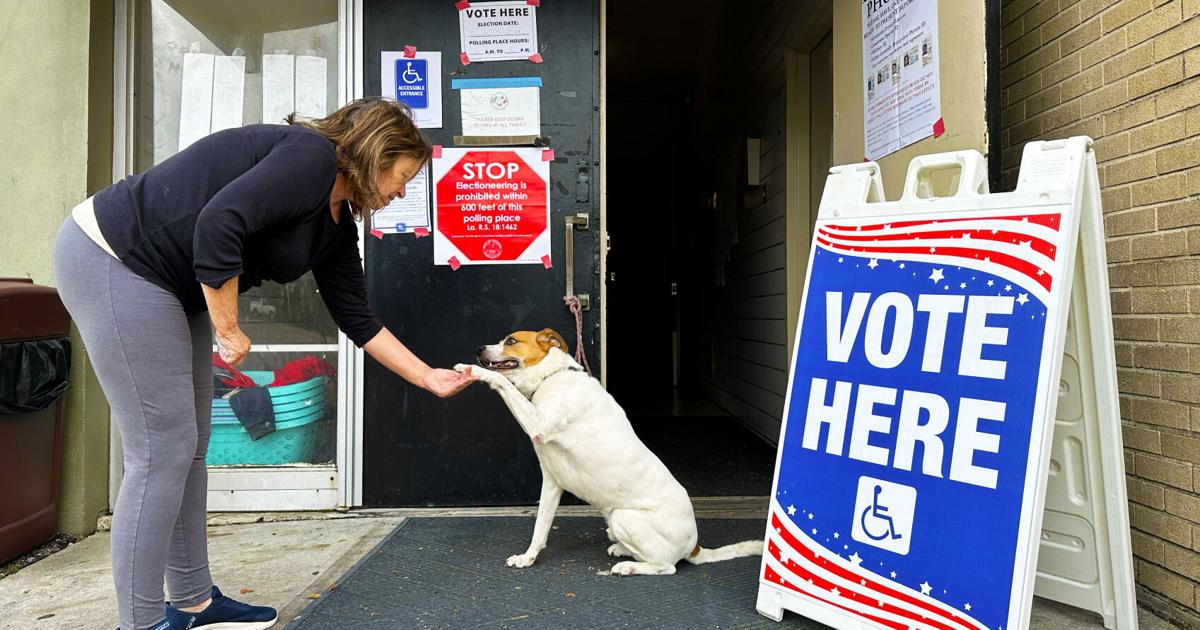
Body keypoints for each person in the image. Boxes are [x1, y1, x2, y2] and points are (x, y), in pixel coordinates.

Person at [52, 97, 476, 630]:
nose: (403, 190)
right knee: (160, 449)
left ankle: (192, 600)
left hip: (172, 283)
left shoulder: (337, 223)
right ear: (376, 152)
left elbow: (357, 317)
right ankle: (138, 623)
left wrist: (425, 375)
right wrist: (228, 328)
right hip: (114, 257)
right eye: (404, 174)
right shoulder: (311, 158)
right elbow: (219, 225)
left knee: (191, 444)